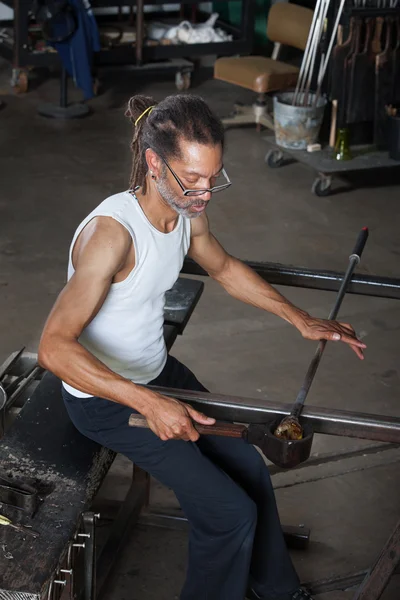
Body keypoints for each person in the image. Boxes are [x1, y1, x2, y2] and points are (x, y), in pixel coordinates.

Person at [38, 94, 366, 600]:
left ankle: (278, 591)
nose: (205, 192)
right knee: (227, 513)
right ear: (154, 162)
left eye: (214, 178)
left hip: (157, 371)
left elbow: (224, 267)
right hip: (106, 401)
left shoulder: (184, 210)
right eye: (193, 179)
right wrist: (150, 403)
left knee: (251, 469)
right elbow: (54, 350)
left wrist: (299, 319)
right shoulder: (112, 236)